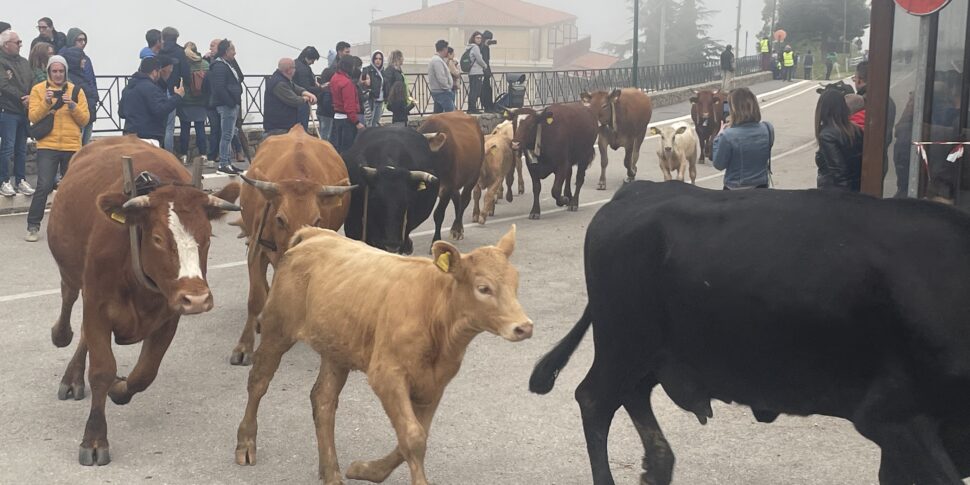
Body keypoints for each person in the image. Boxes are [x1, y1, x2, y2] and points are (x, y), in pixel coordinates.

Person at [25, 54, 88, 242]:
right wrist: (46, 102)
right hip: (47, 145)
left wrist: (72, 105)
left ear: (66, 72)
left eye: (61, 71)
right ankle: (33, 226)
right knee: (43, 186)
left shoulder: (76, 91)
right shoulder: (38, 90)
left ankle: (74, 228)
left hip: (71, 146)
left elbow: (85, 119)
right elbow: (33, 117)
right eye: (55, 71)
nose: (58, 75)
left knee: (72, 189)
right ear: (49, 72)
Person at [712, 87, 773, 190]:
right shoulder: (768, 128)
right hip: (761, 188)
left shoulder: (727, 136)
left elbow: (719, 164)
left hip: (735, 190)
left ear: (734, 110)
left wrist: (718, 137)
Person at [0, 30, 35, 197]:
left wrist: (31, 97)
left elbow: (32, 80)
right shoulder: (0, 61)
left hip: (24, 111)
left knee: (21, 148)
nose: (21, 44)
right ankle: (4, 181)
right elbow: (4, 85)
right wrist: (22, 97)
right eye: (17, 42)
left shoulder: (24, 62)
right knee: (7, 147)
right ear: (6, 45)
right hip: (8, 110)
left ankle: (20, 180)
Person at [119, 57, 184, 146]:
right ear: (154, 72)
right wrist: (178, 96)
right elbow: (161, 110)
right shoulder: (152, 89)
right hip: (148, 138)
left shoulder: (128, 88)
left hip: (129, 137)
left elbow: (121, 113)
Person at [815, 88, 864, 191]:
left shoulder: (827, 136)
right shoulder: (856, 130)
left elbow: (839, 173)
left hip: (835, 194)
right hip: (857, 188)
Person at [208, 39, 244, 174]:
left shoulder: (227, 64)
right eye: (232, 50)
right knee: (226, 135)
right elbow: (219, 87)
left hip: (231, 104)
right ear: (226, 51)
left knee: (229, 134)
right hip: (226, 105)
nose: (235, 53)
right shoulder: (219, 66)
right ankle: (223, 163)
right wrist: (230, 102)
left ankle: (228, 162)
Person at [59, 28, 97, 145]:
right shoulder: (64, 57)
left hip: (89, 104)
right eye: (79, 40)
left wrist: (94, 97)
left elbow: (91, 79)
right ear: (72, 40)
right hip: (77, 108)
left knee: (85, 144)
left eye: (84, 40)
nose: (83, 43)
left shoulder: (86, 58)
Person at [263, 58, 316, 137]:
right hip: (278, 129)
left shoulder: (282, 79)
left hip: (282, 126)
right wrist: (305, 98)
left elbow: (294, 87)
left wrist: (306, 93)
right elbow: (294, 100)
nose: (295, 70)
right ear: (289, 70)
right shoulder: (279, 83)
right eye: (294, 68)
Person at [179, 42, 209, 163]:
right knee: (200, 128)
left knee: (185, 129)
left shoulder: (183, 65)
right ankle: (203, 154)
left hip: (186, 101)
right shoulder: (205, 64)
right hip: (201, 101)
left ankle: (184, 155)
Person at [316, 41, 351, 142]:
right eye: (346, 52)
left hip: (333, 109)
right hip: (329, 110)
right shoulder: (332, 71)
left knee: (332, 136)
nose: (348, 55)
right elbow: (326, 93)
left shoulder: (342, 68)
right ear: (339, 52)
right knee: (327, 137)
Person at [330, 55, 364, 153]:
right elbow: (349, 106)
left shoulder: (334, 78)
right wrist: (357, 122)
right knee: (348, 149)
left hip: (337, 117)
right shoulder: (347, 83)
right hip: (347, 120)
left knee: (338, 147)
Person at [294, 46, 321, 131]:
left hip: (294, 101)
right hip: (302, 102)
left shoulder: (295, 63)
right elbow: (306, 87)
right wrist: (321, 88)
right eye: (313, 60)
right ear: (307, 58)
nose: (313, 63)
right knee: (301, 128)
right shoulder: (303, 69)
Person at [383, 50, 411, 126]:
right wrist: (390, 99)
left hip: (401, 97)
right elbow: (387, 85)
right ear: (398, 58)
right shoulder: (391, 70)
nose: (403, 59)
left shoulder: (398, 70)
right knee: (400, 118)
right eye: (402, 57)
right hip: (396, 99)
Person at [429, 40, 454, 113]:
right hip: (441, 91)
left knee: (438, 113)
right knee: (451, 113)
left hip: (438, 90)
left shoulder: (436, 60)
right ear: (444, 49)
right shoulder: (437, 61)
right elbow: (441, 77)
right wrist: (447, 88)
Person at [361, 50, 385, 128]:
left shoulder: (383, 71)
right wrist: (366, 84)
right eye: (376, 58)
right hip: (371, 100)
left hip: (380, 100)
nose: (378, 61)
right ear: (373, 59)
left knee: (376, 122)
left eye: (380, 59)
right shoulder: (367, 70)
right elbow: (362, 83)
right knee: (369, 123)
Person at [466, 31, 487, 114]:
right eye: (477, 38)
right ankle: (473, 108)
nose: (479, 40)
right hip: (476, 72)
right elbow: (479, 59)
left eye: (480, 38)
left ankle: (471, 108)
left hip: (471, 72)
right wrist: (485, 66)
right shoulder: (475, 47)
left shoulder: (469, 47)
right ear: (473, 38)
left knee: (473, 91)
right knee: (475, 91)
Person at [479, 30, 495, 112]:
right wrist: (487, 71)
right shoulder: (483, 47)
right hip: (484, 72)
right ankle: (487, 106)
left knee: (487, 89)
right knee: (486, 90)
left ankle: (488, 105)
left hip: (484, 72)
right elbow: (485, 60)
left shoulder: (481, 46)